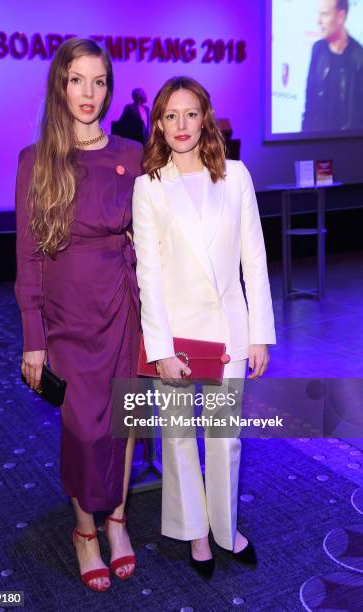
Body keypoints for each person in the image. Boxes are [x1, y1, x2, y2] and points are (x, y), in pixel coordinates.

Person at [132, 76, 276, 577]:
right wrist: (160, 348)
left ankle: (224, 526)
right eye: (170, 116)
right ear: (159, 124)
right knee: (176, 437)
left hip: (229, 331)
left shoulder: (236, 176)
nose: (181, 125)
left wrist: (259, 333)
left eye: (190, 114)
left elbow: (254, 259)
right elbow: (147, 275)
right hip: (174, 336)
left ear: (205, 117)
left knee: (224, 438)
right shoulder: (147, 188)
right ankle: (195, 531)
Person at [15, 38, 143, 592]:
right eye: (77, 80)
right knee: (79, 425)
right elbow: (26, 256)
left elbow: (154, 238)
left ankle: (116, 522)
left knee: (125, 416)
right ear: (59, 86)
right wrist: (32, 339)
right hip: (67, 318)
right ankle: (83, 530)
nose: (88, 93)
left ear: (109, 88)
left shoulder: (133, 154)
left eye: (99, 81)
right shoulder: (34, 160)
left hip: (123, 305)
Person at [302, 0, 363, 132]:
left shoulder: (359, 58)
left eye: (324, 14)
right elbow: (309, 106)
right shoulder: (318, 51)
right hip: (316, 145)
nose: (318, 21)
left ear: (340, 17)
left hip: (348, 147)